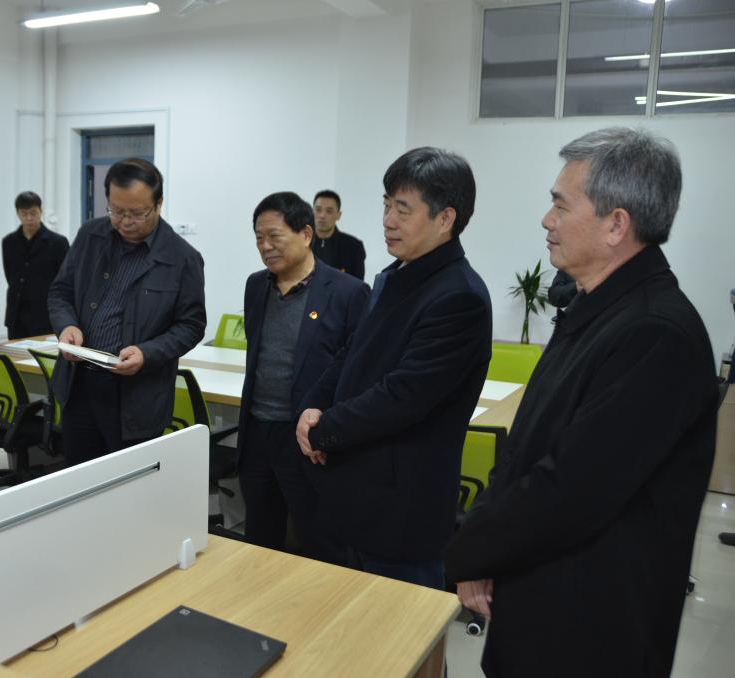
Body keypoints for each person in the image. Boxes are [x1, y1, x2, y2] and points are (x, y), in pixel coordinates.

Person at [445, 128, 717, 677]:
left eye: (560, 205)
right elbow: (524, 450)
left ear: (616, 225)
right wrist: (485, 551)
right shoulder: (596, 310)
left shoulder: (655, 334)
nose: (546, 220)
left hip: (590, 631)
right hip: (539, 603)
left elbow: (568, 489)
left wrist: (469, 548)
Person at [295, 147, 492, 589]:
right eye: (386, 205)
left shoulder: (459, 297)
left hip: (400, 511)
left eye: (403, 210)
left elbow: (402, 397)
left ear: (445, 219)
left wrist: (324, 430)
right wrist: (312, 406)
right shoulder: (395, 275)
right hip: (352, 492)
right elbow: (352, 352)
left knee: (400, 628)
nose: (387, 220)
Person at [48, 158, 206, 465]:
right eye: (116, 211)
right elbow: (60, 292)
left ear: (159, 204)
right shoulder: (90, 236)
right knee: (80, 479)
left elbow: (191, 325)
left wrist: (147, 353)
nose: (125, 222)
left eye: (137, 213)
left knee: (128, 484)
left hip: (137, 397)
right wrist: (67, 326)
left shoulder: (182, 258)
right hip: (79, 386)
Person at [239, 191, 368, 563]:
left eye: (274, 236)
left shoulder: (348, 293)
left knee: (320, 543)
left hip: (309, 438)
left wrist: (329, 426)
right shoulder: (256, 286)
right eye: (259, 238)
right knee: (259, 540)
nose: (265, 246)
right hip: (258, 433)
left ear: (306, 234)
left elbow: (356, 371)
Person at [2, 191, 70, 339]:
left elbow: (65, 279)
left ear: (41, 211)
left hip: (45, 315)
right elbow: (10, 275)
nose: (29, 218)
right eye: (24, 213)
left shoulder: (58, 242)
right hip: (17, 315)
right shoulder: (8, 242)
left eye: (33, 213)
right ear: (18, 213)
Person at [311, 189, 366, 280]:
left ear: (338, 215)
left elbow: (358, 284)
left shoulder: (353, 247)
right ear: (312, 212)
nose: (322, 215)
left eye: (329, 211)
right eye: (318, 210)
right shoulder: (301, 243)